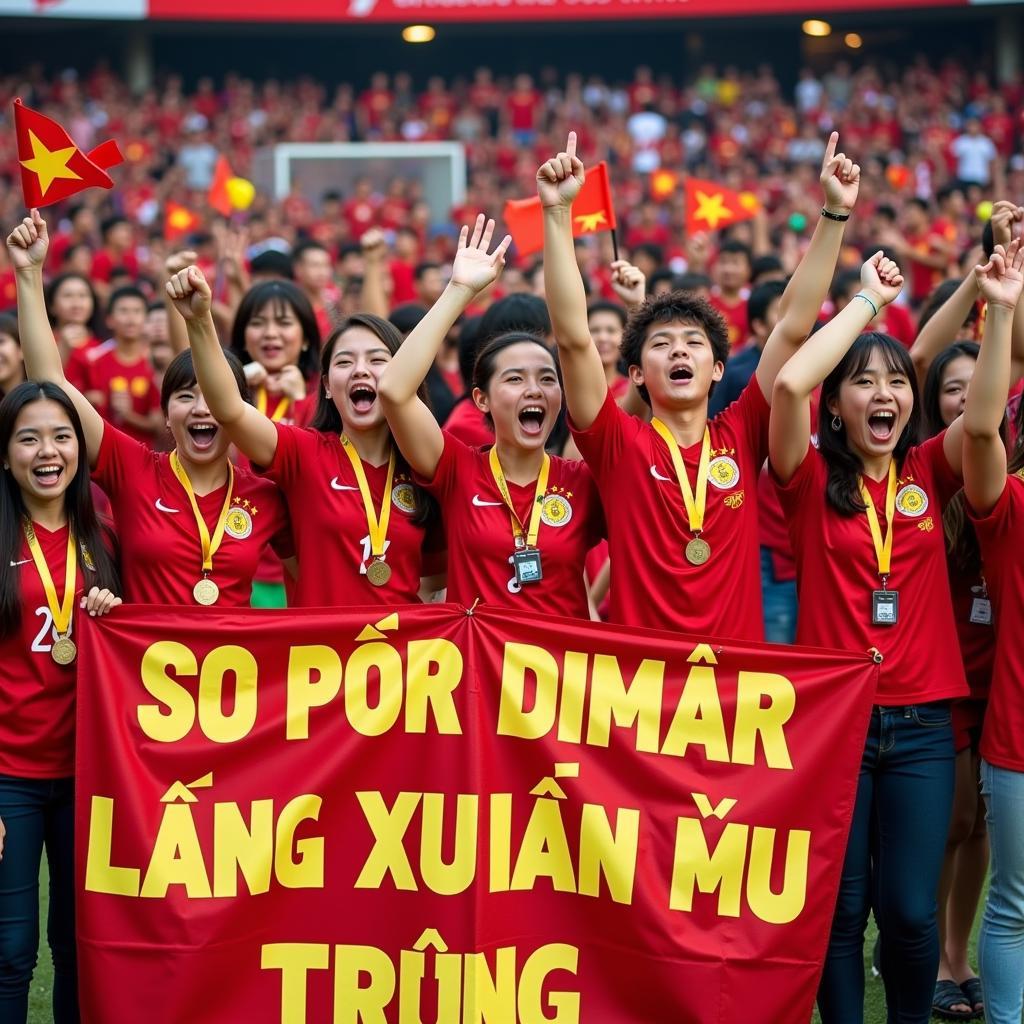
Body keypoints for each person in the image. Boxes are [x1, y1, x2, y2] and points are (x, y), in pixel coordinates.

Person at [769, 249, 977, 1023]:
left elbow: (982, 417)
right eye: (863, 382)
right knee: (841, 909)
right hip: (835, 724)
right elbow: (791, 381)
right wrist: (866, 302)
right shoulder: (804, 479)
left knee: (912, 913)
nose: (883, 394)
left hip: (924, 722)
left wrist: (997, 299)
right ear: (836, 408)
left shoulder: (928, 467)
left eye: (896, 382)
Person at [541, 130, 856, 638]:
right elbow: (575, 340)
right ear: (637, 374)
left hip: (736, 694)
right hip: (644, 696)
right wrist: (557, 216)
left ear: (716, 370)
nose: (680, 350)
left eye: (693, 342)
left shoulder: (743, 431)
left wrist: (834, 214)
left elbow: (794, 324)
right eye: (662, 344)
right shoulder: (617, 443)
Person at [8, 211, 292, 607]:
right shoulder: (133, 469)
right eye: (185, 397)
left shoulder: (267, 496)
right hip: (144, 669)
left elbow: (308, 584)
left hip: (234, 668)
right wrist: (29, 273)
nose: (200, 410)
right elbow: (52, 383)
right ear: (165, 415)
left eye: (214, 399)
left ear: (237, 413)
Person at [171, 263, 443, 607]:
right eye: (345, 362)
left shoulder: (425, 461)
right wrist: (199, 322)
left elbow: (440, 571)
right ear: (327, 386)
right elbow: (230, 408)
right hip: (322, 657)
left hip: (402, 655)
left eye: (377, 360)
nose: (361, 369)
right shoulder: (303, 453)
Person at [379, 215, 603, 617]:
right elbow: (394, 391)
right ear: (481, 399)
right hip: (480, 676)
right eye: (515, 379)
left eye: (547, 378)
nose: (534, 389)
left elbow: (577, 340)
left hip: (561, 677)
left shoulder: (581, 481)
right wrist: (459, 291)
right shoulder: (458, 470)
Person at [0, 380, 122, 1024]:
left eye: (61, 435)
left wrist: (113, 614)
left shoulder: (104, 531)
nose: (47, 452)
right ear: (5, 454)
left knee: (80, 948)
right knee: (12, 951)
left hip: (89, 781)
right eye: (28, 438)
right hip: (9, 780)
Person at [961, 239, 1024, 1024]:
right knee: (1012, 906)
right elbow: (978, 434)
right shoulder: (1010, 510)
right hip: (1017, 742)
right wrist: (1002, 310)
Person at [229, 279, 321, 427]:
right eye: (257, 323)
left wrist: (299, 400)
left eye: (284, 323)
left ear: (306, 338)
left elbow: (321, 447)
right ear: (243, 337)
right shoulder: (229, 390)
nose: (270, 333)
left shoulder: (326, 392)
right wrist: (236, 382)